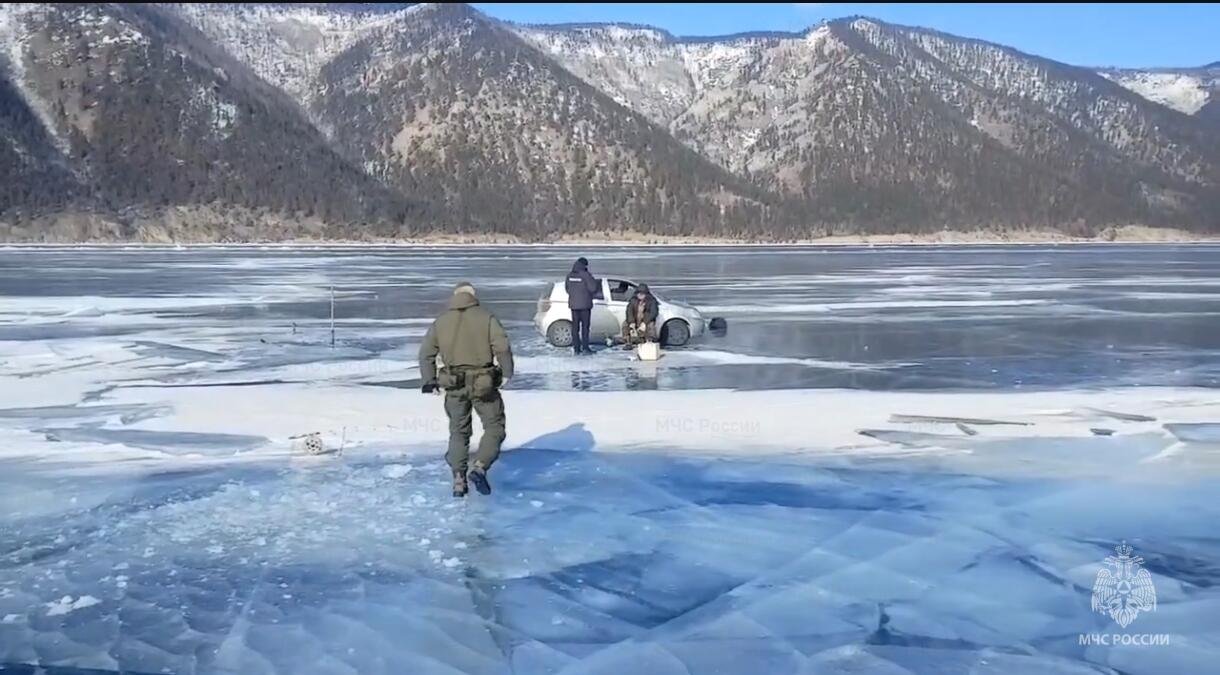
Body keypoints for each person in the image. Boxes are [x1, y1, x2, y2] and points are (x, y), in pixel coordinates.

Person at [419, 282, 514, 497]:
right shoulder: (486, 317)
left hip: (454, 384)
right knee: (494, 427)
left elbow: (426, 353)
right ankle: (480, 466)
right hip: (484, 384)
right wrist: (507, 372)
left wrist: (429, 380)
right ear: (474, 296)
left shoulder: (441, 321)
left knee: (458, 431)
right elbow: (502, 346)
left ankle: (458, 479)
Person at [565, 257, 599, 355]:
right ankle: (585, 348)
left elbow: (567, 289)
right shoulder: (586, 275)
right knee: (585, 328)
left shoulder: (570, 275)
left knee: (575, 328)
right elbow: (593, 288)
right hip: (585, 305)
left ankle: (576, 348)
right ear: (584, 265)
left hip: (574, 306)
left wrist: (574, 296)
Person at [622, 283, 659, 348]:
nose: (640, 295)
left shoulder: (652, 301)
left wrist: (644, 323)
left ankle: (650, 342)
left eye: (642, 293)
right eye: (639, 293)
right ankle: (628, 342)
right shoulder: (633, 300)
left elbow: (653, 313)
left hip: (645, 321)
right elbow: (629, 311)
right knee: (625, 324)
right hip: (635, 320)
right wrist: (631, 322)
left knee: (650, 325)